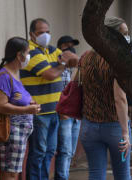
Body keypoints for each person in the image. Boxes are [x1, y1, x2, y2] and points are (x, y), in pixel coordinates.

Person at [20, 18, 79, 180]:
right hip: (39, 112)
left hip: (54, 111)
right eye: (40, 33)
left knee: (49, 151)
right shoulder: (30, 51)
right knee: (38, 152)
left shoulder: (52, 50)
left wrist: (67, 61)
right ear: (32, 34)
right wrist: (63, 65)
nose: (45, 35)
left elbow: (74, 60)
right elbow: (50, 74)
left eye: (47, 32)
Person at [80, 17, 132, 180]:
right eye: (123, 33)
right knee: (122, 174)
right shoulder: (118, 60)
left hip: (89, 126)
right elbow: (120, 98)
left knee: (95, 173)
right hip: (115, 126)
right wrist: (125, 133)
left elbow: (77, 83)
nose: (126, 37)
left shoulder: (87, 56)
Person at [0, 37, 41, 180]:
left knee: (13, 173)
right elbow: (0, 106)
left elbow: (16, 98)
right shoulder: (4, 76)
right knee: (10, 174)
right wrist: (27, 110)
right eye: (28, 53)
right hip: (11, 132)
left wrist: (29, 103)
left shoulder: (14, 74)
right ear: (19, 55)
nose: (29, 57)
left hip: (19, 133)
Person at [55, 35, 81, 180]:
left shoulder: (72, 69)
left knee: (70, 152)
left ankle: (65, 176)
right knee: (64, 151)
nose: (71, 48)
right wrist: (62, 110)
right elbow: (58, 91)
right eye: (67, 46)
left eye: (72, 45)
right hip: (64, 115)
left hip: (75, 117)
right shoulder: (57, 67)